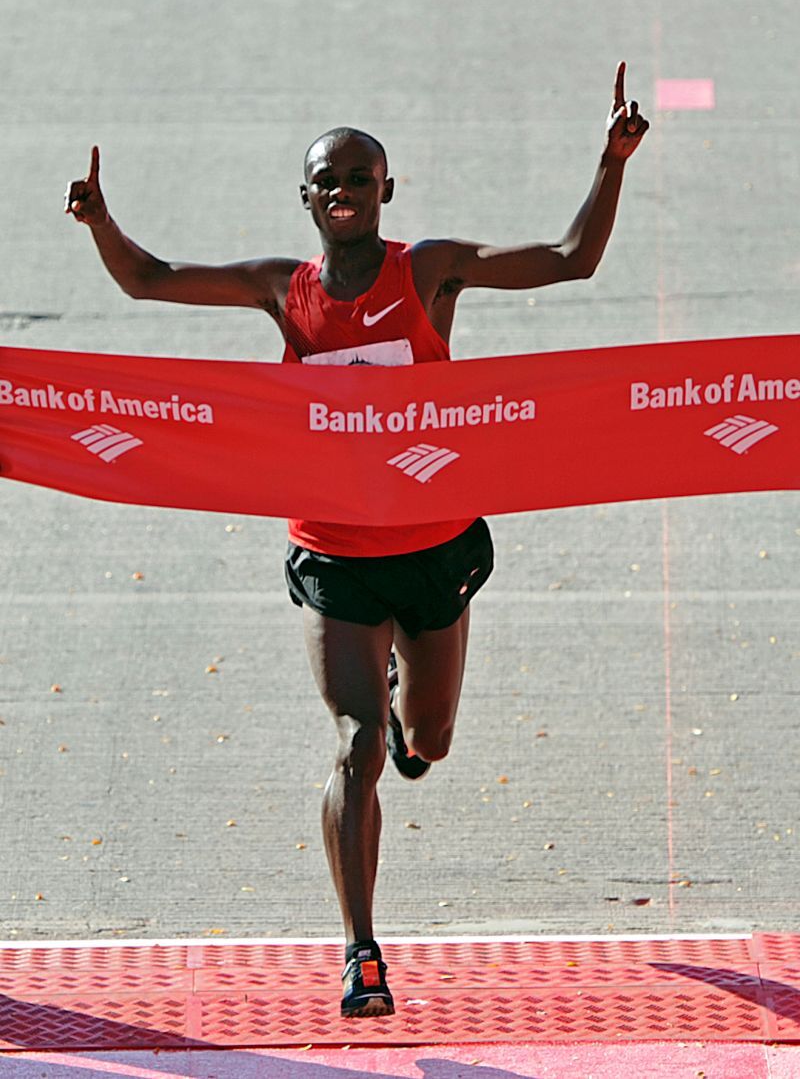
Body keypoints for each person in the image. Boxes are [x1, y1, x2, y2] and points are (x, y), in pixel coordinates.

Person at [66, 62, 648, 1018]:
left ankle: (406, 710)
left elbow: (569, 256)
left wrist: (610, 157)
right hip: (334, 551)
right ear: (306, 198)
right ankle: (361, 950)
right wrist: (99, 222)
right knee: (356, 746)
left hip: (432, 547)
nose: (343, 193)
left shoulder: (427, 271)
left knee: (430, 739)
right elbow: (149, 280)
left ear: (387, 189)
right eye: (326, 182)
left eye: (360, 179)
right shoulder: (280, 291)